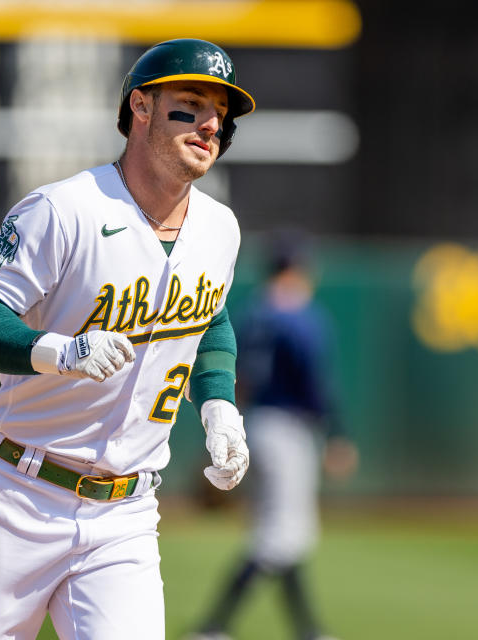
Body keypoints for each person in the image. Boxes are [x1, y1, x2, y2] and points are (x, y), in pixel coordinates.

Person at [0, 38, 253, 639]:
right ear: (141, 107)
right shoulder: (62, 209)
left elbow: (210, 317)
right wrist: (58, 351)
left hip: (127, 513)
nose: (211, 123)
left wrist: (217, 403)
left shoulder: (220, 227)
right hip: (17, 495)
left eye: (222, 113)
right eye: (191, 103)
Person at [187, 234, 358, 640]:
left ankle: (308, 629)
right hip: (289, 431)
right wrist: (338, 435)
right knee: (281, 535)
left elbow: (238, 377)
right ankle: (213, 627)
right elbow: (318, 384)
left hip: (254, 426)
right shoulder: (302, 317)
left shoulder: (251, 316)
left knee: (284, 530)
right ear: (298, 270)